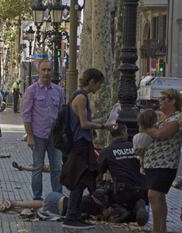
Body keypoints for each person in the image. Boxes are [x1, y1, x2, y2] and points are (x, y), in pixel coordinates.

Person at [60, 68, 113, 229]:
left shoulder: (78, 95)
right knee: (80, 180)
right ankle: (71, 216)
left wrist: (99, 123)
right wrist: (103, 126)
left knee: (84, 179)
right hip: (80, 144)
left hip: (82, 142)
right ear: (91, 82)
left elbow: (82, 121)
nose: (100, 88)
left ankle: (74, 214)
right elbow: (83, 124)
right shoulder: (81, 98)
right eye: (99, 84)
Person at [22, 60, 64, 199]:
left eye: (49, 70)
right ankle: (37, 198)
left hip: (54, 137)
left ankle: (57, 197)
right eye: (44, 70)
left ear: (52, 72)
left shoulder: (59, 91)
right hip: (38, 136)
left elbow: (61, 114)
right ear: (39, 72)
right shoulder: (31, 91)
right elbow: (26, 115)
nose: (46, 72)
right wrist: (29, 136)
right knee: (37, 168)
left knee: (57, 168)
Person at [143, 89, 182, 233]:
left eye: (163, 98)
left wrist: (146, 128)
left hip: (165, 163)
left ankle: (157, 230)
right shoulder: (163, 118)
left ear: (173, 101)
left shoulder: (177, 118)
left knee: (153, 195)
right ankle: (161, 229)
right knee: (159, 197)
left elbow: (161, 134)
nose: (160, 101)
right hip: (152, 163)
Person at [98, 123, 149, 226]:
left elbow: (98, 173)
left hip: (122, 192)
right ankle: (140, 205)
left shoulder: (107, 151)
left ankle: (120, 210)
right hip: (141, 190)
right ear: (123, 133)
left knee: (102, 188)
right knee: (137, 195)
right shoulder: (136, 147)